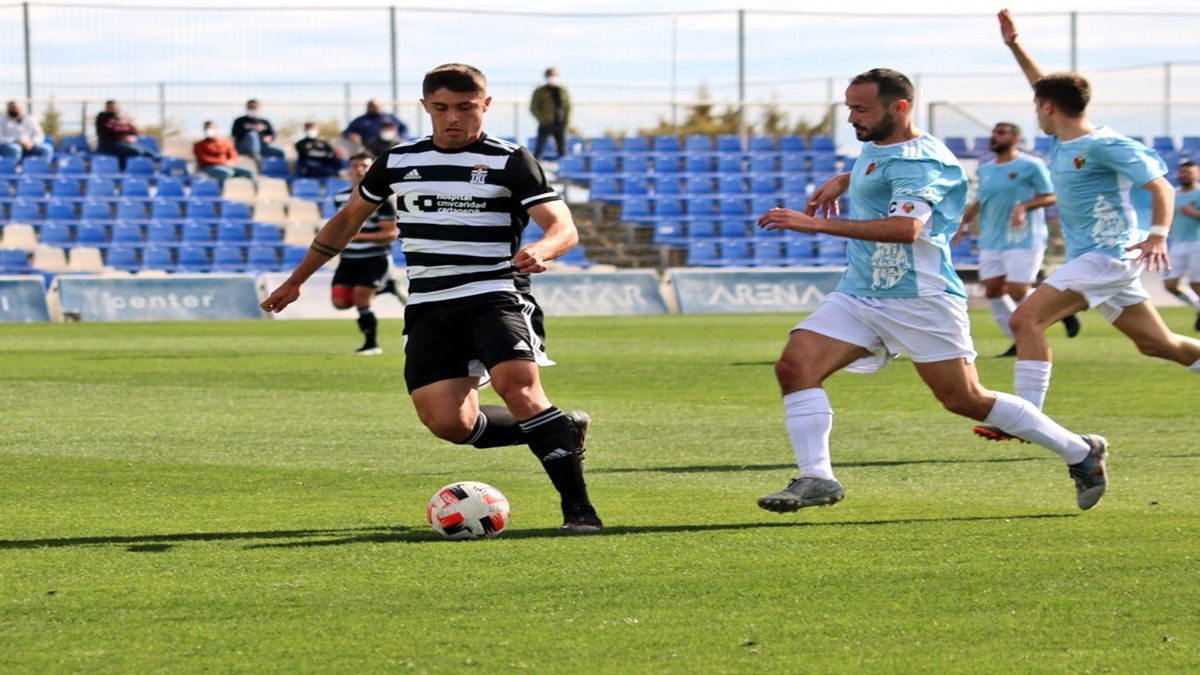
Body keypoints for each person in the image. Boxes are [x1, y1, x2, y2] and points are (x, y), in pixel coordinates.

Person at [262, 63, 602, 532]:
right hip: (429, 304)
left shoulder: (510, 159)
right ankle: (561, 428)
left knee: (519, 388)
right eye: (441, 108)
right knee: (449, 423)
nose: (453, 118)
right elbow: (346, 221)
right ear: (426, 107)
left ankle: (579, 511)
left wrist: (543, 249)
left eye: (465, 107)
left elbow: (562, 226)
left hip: (495, 294)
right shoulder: (398, 160)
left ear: (485, 105)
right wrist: (296, 280)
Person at [753, 68, 1108, 515]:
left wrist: (816, 223)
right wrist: (848, 178)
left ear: (899, 108)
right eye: (849, 107)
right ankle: (817, 476)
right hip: (862, 292)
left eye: (861, 109)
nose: (851, 118)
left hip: (920, 297)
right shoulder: (879, 145)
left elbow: (906, 228)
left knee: (964, 399)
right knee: (795, 366)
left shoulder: (924, 163)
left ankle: (1079, 451)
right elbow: (884, 167)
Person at [974, 10, 1200, 441]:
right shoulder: (1063, 139)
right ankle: (1028, 420)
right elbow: (1044, 88)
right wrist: (1015, 45)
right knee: (1158, 344)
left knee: (1026, 321)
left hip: (1110, 255)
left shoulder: (1105, 144)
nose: (1035, 112)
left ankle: (1026, 421)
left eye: (1038, 105)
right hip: (1096, 259)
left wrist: (1158, 234)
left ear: (1048, 108)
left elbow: (1162, 188)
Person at [953, 122, 1079, 357]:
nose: (994, 137)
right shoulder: (986, 169)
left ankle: (1062, 311)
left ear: (1015, 139)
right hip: (992, 239)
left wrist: (1024, 207)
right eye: (993, 133)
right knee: (993, 291)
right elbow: (982, 200)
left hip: (1023, 237)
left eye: (1000, 133)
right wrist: (964, 222)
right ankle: (1019, 340)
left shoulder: (1031, 166)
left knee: (1017, 290)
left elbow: (1051, 196)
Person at [330, 152, 399, 355]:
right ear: (350, 170)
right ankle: (387, 287)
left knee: (361, 297)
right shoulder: (340, 197)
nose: (359, 170)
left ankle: (371, 345)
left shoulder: (384, 200)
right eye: (355, 165)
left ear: (371, 169)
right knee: (340, 302)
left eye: (364, 166)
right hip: (349, 258)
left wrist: (357, 237)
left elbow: (390, 233)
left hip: (375, 258)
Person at [1162, 160, 1200, 331]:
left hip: (1197, 242)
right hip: (1178, 242)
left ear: (1197, 174)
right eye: (1182, 172)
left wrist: (1193, 213)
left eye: (1189, 172)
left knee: (1195, 284)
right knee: (1170, 284)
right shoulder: (1173, 193)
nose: (1185, 175)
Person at [94, 100, 158, 169]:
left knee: (148, 152)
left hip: (126, 143)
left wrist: (123, 130)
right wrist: (123, 130)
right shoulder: (102, 118)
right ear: (106, 108)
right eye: (110, 107)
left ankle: (158, 164)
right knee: (138, 152)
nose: (113, 109)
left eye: (114, 107)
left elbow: (133, 130)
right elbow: (111, 131)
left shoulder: (121, 118)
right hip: (111, 144)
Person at [193, 120, 256, 188]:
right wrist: (222, 162)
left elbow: (234, 156)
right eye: (207, 128)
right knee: (226, 172)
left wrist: (231, 163)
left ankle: (254, 193)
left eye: (212, 128)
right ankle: (220, 192)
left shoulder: (225, 143)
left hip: (228, 166)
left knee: (248, 172)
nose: (210, 130)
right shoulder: (199, 145)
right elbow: (204, 159)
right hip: (209, 168)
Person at [530, 67, 570, 161]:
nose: (552, 77)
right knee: (539, 147)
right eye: (550, 75)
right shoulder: (539, 91)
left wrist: (566, 120)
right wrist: (543, 120)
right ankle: (535, 167)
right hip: (546, 124)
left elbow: (568, 106)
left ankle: (562, 166)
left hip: (560, 123)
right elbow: (534, 108)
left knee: (562, 148)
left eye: (554, 75)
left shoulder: (562, 90)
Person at [230, 99, 285, 165]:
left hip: (262, 147)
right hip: (244, 147)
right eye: (251, 108)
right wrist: (253, 129)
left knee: (280, 152)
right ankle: (256, 158)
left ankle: (278, 170)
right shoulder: (239, 121)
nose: (253, 110)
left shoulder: (264, 122)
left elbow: (272, 134)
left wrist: (270, 138)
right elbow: (234, 133)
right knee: (252, 135)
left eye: (255, 108)